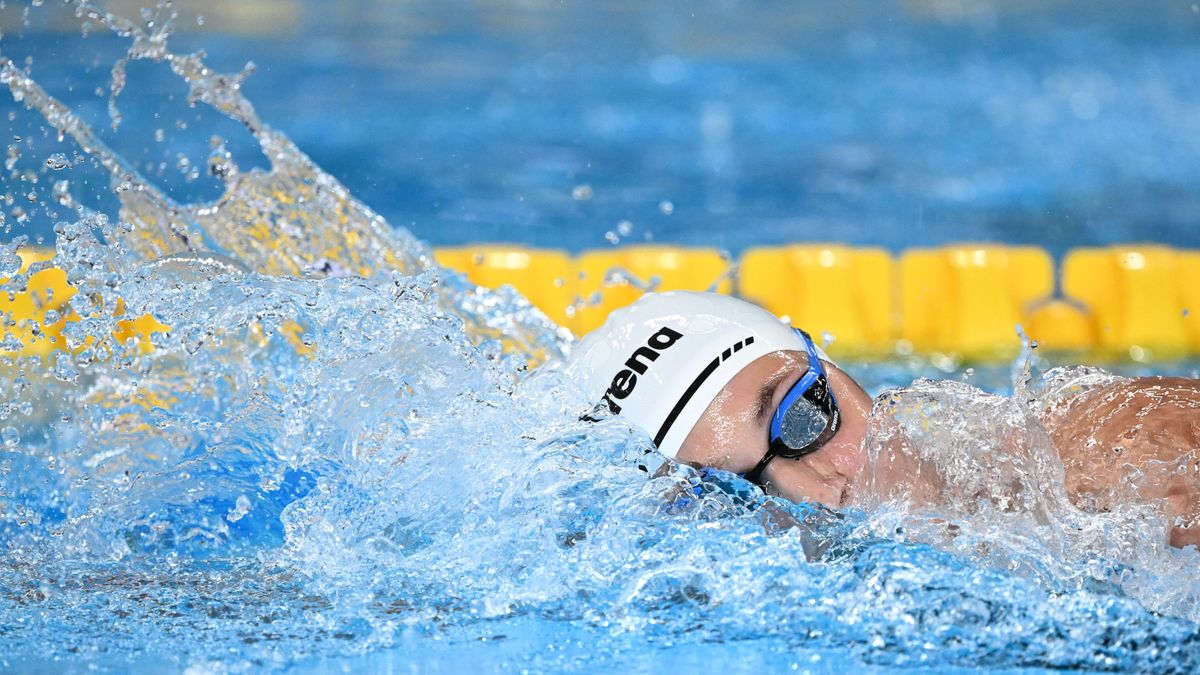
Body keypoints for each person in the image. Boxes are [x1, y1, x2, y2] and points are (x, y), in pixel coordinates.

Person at [565, 291, 1200, 549]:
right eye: (735, 494)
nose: (820, 495)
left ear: (838, 369)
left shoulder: (1113, 451)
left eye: (805, 416)